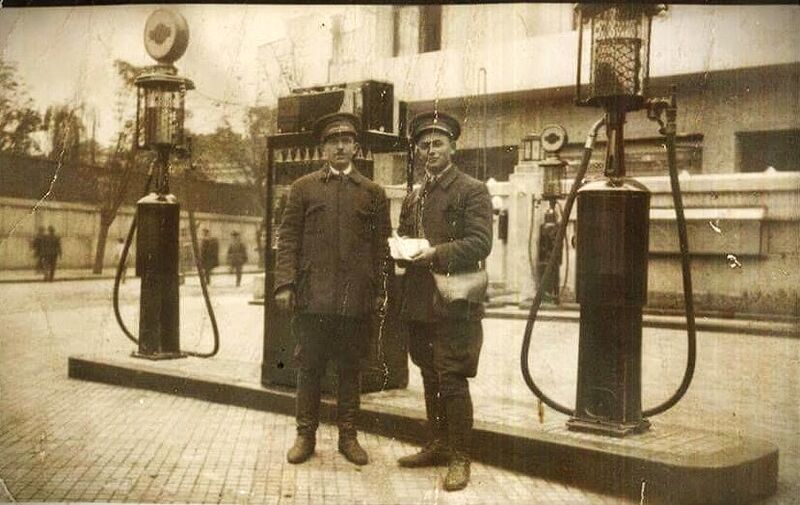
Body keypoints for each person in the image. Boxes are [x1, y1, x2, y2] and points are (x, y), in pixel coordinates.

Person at [274, 112, 391, 466]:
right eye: (332, 141)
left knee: (349, 368)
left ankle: (348, 437)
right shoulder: (303, 187)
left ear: (356, 147)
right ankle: (305, 435)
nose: (340, 146)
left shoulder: (372, 193)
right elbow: (288, 238)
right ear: (323, 148)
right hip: (313, 297)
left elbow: (381, 247)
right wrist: (285, 284)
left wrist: (381, 290)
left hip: (354, 298)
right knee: (309, 367)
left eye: (346, 140)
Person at [395, 111, 493, 491]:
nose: (430, 150)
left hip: (454, 301)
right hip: (420, 300)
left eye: (437, 143)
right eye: (423, 145)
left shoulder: (471, 189)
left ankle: (460, 457)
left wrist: (434, 252)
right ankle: (437, 444)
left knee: (451, 378)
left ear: (453, 146)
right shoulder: (415, 195)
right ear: (417, 151)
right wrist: (401, 247)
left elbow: (479, 243)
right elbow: (406, 235)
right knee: (429, 373)